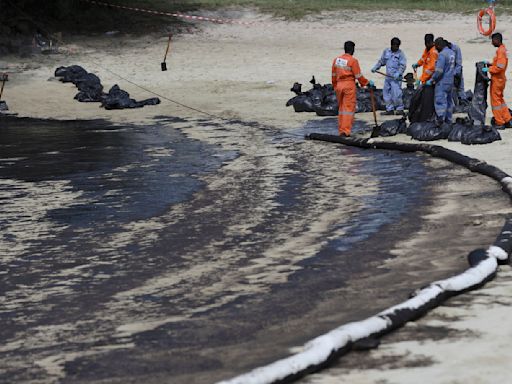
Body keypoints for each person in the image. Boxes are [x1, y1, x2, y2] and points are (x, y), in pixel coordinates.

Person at [331, 41, 373, 136]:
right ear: (352, 49)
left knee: (341, 108)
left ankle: (341, 129)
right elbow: (358, 75)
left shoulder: (336, 60)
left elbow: (333, 74)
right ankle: (345, 131)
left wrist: (334, 85)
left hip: (339, 85)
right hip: (348, 86)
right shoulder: (353, 61)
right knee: (348, 109)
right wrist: (367, 83)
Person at [371, 37, 407, 115]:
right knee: (386, 94)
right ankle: (389, 109)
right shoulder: (386, 52)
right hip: (388, 77)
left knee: (396, 94)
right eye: (395, 46)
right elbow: (382, 61)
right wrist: (376, 67)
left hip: (396, 78)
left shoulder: (400, 54)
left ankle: (399, 109)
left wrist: (399, 73)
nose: (397, 47)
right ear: (392, 45)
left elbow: (403, 65)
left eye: (398, 46)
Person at [483, 32, 512, 128]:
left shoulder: (501, 51)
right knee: (500, 100)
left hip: (498, 79)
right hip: (500, 79)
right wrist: (490, 64)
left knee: (495, 101)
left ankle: (499, 122)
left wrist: (489, 69)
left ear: (497, 40)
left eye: (492, 40)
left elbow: (500, 67)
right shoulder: (502, 50)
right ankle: (507, 118)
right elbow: (498, 65)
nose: (492, 43)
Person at [426, 37, 455, 124]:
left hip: (442, 82)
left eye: (436, 47)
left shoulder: (442, 54)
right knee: (449, 101)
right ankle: (449, 120)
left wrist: (432, 79)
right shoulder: (451, 52)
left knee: (440, 101)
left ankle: (441, 120)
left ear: (439, 45)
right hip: (450, 81)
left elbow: (439, 71)